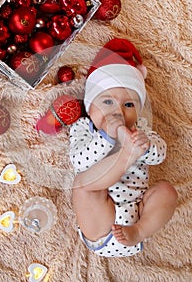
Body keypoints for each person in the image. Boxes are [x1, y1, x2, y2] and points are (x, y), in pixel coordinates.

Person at [69, 38, 177, 257]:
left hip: (137, 213)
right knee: (82, 186)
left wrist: (146, 147)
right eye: (107, 102)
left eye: (128, 105)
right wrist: (105, 138)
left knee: (167, 191)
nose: (117, 112)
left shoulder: (140, 129)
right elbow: (79, 160)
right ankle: (125, 157)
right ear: (90, 108)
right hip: (100, 222)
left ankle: (141, 230)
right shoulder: (84, 128)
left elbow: (160, 154)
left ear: (138, 111)